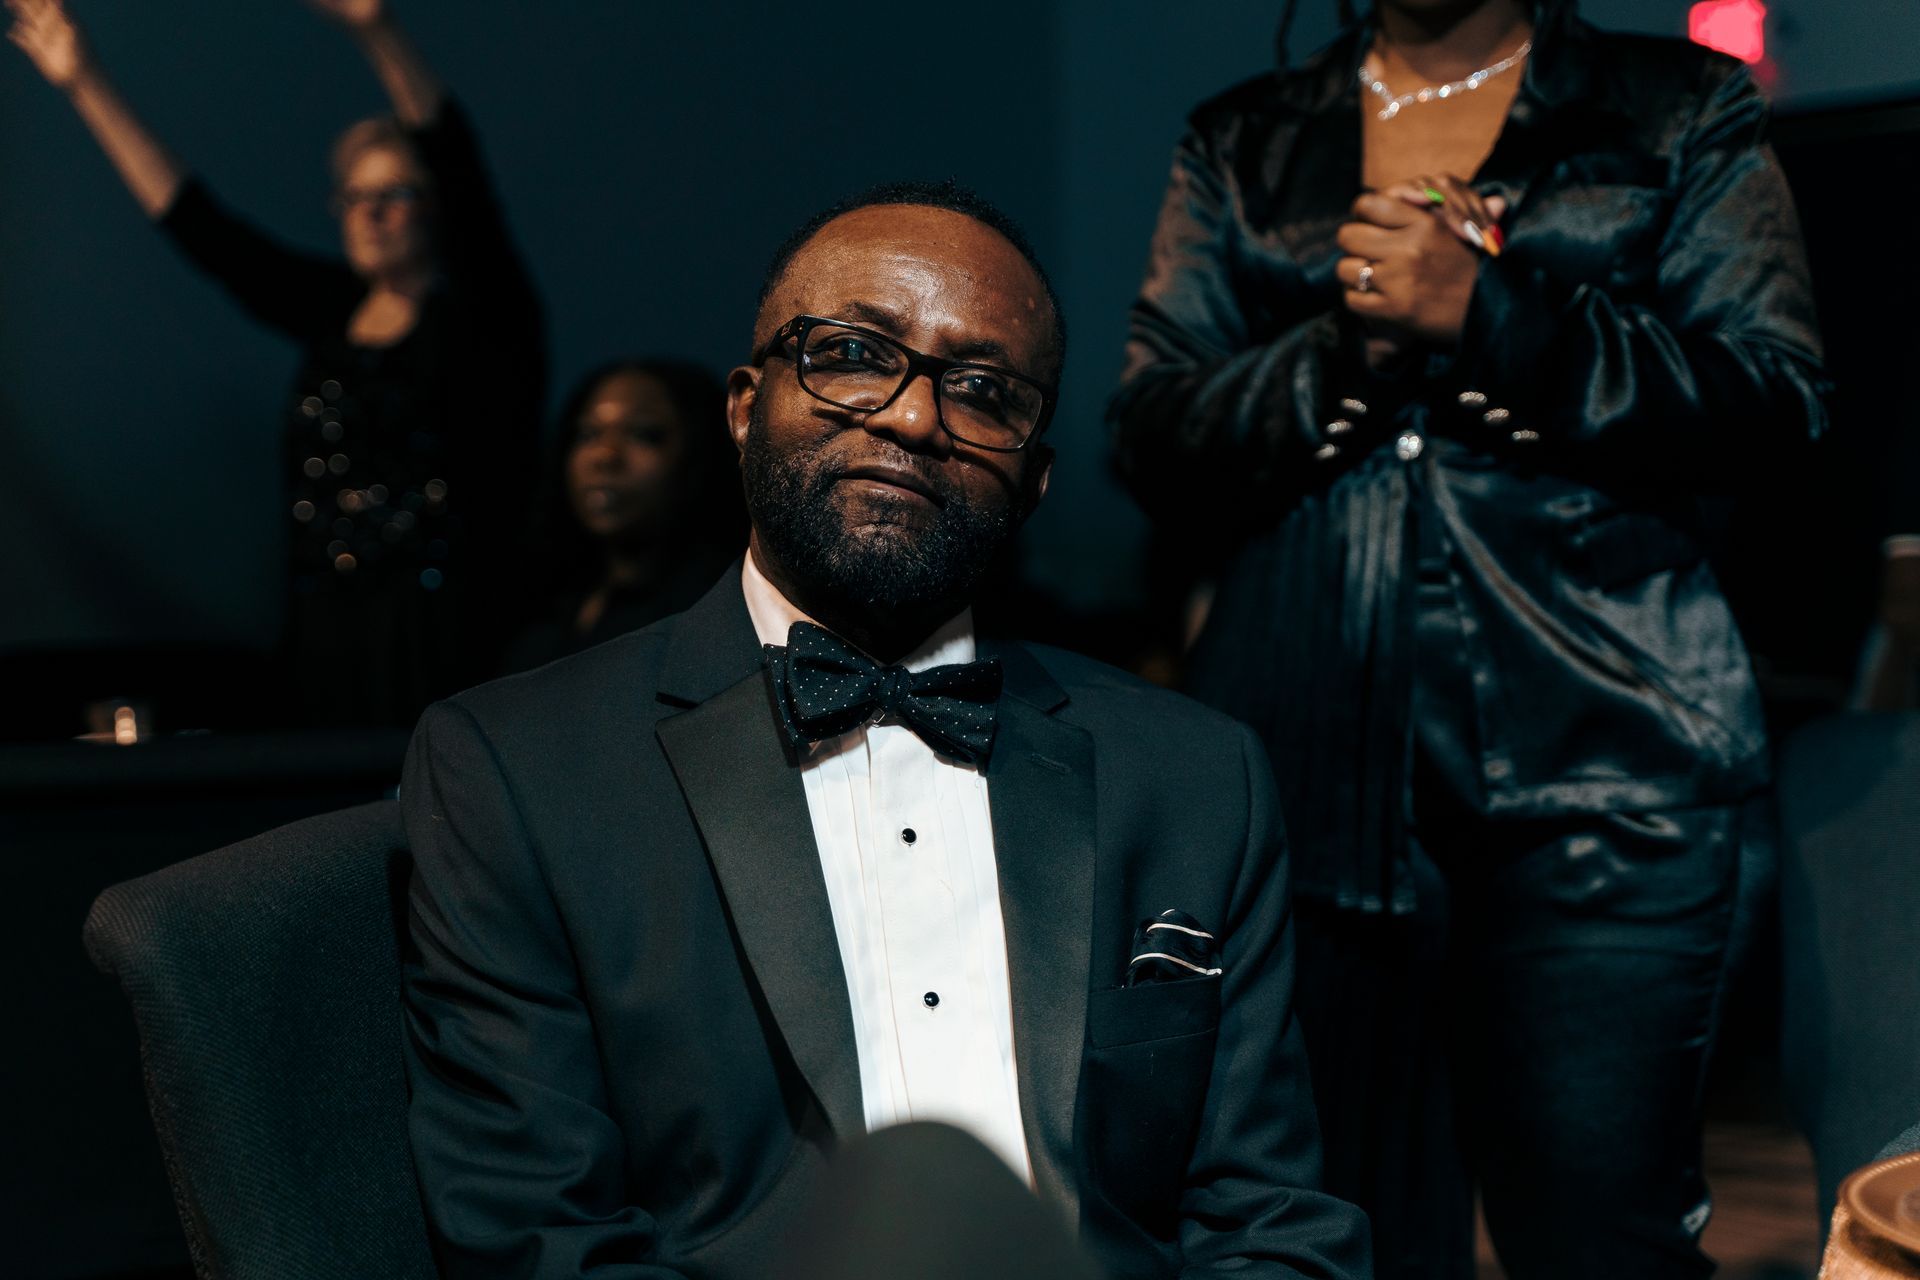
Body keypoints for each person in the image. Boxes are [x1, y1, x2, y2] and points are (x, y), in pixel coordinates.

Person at [401, 181, 1370, 1279]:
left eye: (984, 389)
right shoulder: (522, 767)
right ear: (744, 405)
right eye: (856, 352)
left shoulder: (1195, 776)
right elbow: (542, 1238)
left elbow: (1270, 1221)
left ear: (1036, 478)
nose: (915, 416)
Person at [1109, 1, 1826, 1277]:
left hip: (1611, 774)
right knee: (1328, 1234)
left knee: (1602, 1240)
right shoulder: (1246, 137)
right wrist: (1348, 347)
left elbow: (1772, 402)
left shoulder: (1678, 105)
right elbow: (1152, 433)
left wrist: (1495, 314)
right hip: (1300, 776)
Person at [5, 0, 546, 726]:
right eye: (354, 196)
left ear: (436, 209)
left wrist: (375, 30)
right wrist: (84, 83)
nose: (369, 213)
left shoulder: (488, 322)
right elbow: (203, 231)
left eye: (395, 194)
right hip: (325, 639)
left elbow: (457, 160)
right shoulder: (330, 312)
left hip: (447, 642)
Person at [500, 359, 745, 675]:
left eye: (644, 435)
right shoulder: (540, 613)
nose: (605, 456)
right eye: (588, 434)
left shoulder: (721, 615)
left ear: (700, 455)